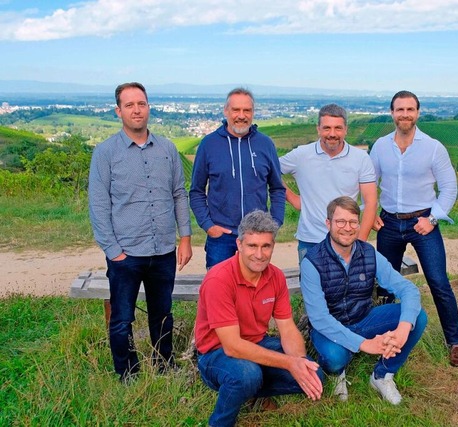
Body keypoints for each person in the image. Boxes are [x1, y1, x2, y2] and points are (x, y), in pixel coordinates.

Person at [88, 82, 192, 383]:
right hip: (126, 253)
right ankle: (127, 372)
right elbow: (98, 204)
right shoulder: (106, 153)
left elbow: (178, 194)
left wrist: (184, 238)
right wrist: (113, 251)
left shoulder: (168, 149)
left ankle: (164, 364)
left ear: (149, 107)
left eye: (142, 104)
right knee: (122, 319)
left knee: (163, 314)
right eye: (130, 105)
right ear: (118, 110)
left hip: (163, 250)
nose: (137, 109)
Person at [195, 210, 324, 427]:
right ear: (239, 245)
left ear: (273, 245)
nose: (260, 254)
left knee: (315, 373)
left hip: (256, 343)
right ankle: (220, 422)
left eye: (266, 246)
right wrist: (288, 363)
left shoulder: (275, 276)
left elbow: (288, 329)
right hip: (215, 354)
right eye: (252, 246)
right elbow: (233, 347)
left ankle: (253, 394)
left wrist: (300, 364)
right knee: (247, 375)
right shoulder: (219, 279)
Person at [369, 90, 458, 367]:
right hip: (388, 222)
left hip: (422, 221)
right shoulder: (380, 146)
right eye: (400, 110)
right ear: (392, 113)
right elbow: (368, 183)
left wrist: (432, 219)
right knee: (385, 283)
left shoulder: (433, 147)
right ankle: (384, 340)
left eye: (410, 110)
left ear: (417, 113)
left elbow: (449, 187)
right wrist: (370, 213)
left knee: (438, 282)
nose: (405, 115)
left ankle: (455, 341)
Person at [300, 196, 427, 404]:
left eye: (352, 222)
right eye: (340, 221)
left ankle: (382, 375)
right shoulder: (312, 262)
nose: (347, 228)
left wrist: (403, 328)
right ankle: (338, 372)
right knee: (335, 358)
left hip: (364, 319)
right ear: (328, 223)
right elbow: (319, 318)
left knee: (417, 317)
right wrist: (365, 344)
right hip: (330, 327)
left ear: (359, 225)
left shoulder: (368, 253)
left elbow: (407, 289)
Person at [190, 87, 286, 269]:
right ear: (226, 111)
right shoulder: (209, 144)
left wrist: (274, 223)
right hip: (221, 238)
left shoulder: (265, 144)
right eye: (236, 110)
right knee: (218, 292)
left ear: (253, 113)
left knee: (255, 291)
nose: (241, 115)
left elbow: (277, 188)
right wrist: (208, 225)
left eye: (247, 110)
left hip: (257, 236)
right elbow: (196, 191)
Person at [279, 103, 377, 262]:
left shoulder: (361, 159)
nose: (332, 134)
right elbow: (269, 170)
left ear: (346, 129)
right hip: (310, 240)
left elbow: (371, 202)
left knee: (349, 287)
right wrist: (292, 198)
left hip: (347, 241)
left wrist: (360, 243)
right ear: (318, 129)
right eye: (326, 128)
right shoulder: (301, 155)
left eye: (338, 128)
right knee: (311, 286)